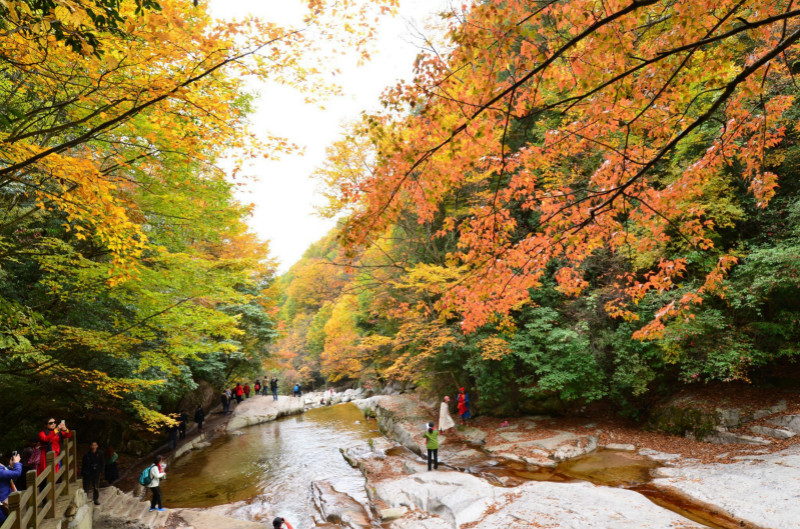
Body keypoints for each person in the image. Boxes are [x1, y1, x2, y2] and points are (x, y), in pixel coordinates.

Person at [0, 452, 22, 525]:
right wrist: (17, 463)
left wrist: (10, 466)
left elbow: (4, 473)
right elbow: (17, 473)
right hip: (2, 506)